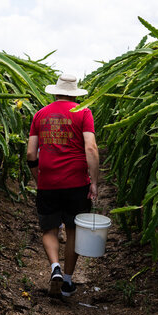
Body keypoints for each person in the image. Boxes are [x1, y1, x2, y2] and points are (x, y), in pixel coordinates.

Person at [26, 74, 99, 297]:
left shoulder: (40, 114)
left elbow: (30, 152)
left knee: (49, 228)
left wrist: (38, 176)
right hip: (77, 183)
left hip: (48, 182)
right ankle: (67, 281)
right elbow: (91, 148)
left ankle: (54, 267)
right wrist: (94, 181)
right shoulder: (83, 112)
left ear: (55, 91)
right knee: (73, 229)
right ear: (75, 93)